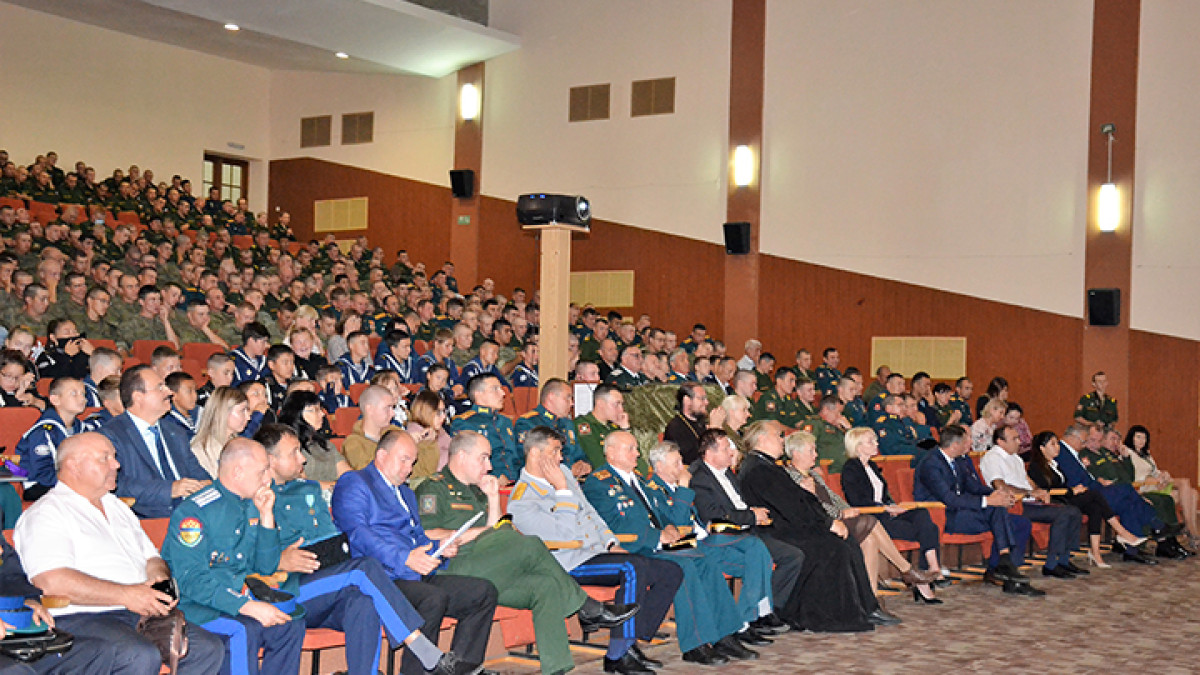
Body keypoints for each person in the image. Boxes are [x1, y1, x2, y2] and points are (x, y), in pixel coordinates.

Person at [413, 431, 638, 675]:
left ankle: (556, 669)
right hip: (457, 568)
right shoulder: (433, 488)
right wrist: (480, 532)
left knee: (544, 585)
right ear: (461, 456)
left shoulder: (478, 490)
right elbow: (429, 533)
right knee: (530, 544)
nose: (489, 466)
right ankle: (586, 607)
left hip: (492, 566)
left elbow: (498, 531)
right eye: (483, 458)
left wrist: (492, 498)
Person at [253, 424, 472, 675]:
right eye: (293, 452)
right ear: (271, 459)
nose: (302, 459)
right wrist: (280, 560)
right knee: (364, 567)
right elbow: (246, 557)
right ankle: (422, 648)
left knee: (364, 603)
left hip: (328, 580)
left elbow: (333, 537)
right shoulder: (255, 496)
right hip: (289, 588)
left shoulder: (308, 489)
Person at [14, 433, 225, 675]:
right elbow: (51, 582)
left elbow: (152, 558)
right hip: (82, 616)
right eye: (105, 458)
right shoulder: (47, 513)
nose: (116, 464)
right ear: (73, 465)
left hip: (138, 612)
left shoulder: (117, 507)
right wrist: (127, 595)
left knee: (207, 648)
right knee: (137, 655)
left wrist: (158, 580)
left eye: (114, 457)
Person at [508, 426, 683, 674]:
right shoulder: (522, 499)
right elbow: (564, 536)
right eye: (555, 451)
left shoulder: (563, 472)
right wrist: (562, 490)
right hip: (566, 562)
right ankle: (618, 655)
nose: (561, 457)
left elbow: (590, 512)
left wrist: (611, 543)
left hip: (595, 552)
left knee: (670, 571)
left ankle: (630, 639)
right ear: (535, 453)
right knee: (632, 567)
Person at [582, 432, 763, 664]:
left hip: (659, 545)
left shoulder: (638, 480)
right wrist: (658, 536)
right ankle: (695, 645)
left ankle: (724, 634)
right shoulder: (599, 482)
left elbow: (666, 517)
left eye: (636, 448)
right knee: (684, 566)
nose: (637, 454)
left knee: (706, 561)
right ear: (611, 452)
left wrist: (669, 524)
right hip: (633, 547)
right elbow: (614, 524)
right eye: (631, 448)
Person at [330, 430, 500, 674]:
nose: (409, 469)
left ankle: (463, 668)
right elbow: (357, 534)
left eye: (412, 462)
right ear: (382, 455)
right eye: (404, 460)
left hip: (415, 571)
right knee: (432, 597)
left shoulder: (407, 494)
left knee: (482, 592)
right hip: (381, 577)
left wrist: (440, 549)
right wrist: (405, 558)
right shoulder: (356, 482)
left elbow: (418, 537)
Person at [160, 438, 306, 675]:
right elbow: (192, 581)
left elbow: (266, 567)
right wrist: (245, 606)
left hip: (235, 600)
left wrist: (266, 516)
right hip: (196, 607)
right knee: (244, 630)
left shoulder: (252, 503)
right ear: (238, 472)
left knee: (289, 625)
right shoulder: (195, 512)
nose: (268, 480)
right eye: (262, 472)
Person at [736, 422, 890, 631]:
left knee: (846, 542)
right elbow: (791, 506)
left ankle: (865, 607)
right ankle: (830, 615)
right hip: (777, 530)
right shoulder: (758, 469)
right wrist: (828, 523)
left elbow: (800, 500)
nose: (782, 440)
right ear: (762, 439)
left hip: (789, 524)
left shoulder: (767, 466)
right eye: (778, 436)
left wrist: (826, 520)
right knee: (834, 547)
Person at [784, 429, 939, 603]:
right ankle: (906, 570)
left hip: (840, 518)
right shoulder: (790, 477)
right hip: (823, 524)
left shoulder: (813, 474)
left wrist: (848, 510)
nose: (816, 455)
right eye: (811, 450)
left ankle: (872, 599)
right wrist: (841, 513)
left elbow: (834, 498)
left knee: (872, 539)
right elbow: (812, 506)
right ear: (796, 453)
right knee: (870, 522)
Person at [686, 428, 807, 624]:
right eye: (726, 449)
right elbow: (713, 515)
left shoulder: (727, 473)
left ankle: (763, 612)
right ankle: (750, 618)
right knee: (757, 553)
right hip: (723, 536)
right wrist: (751, 516)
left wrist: (754, 513)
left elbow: (739, 504)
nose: (731, 452)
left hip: (747, 530)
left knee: (787, 555)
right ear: (710, 453)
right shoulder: (699, 477)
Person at [913, 425, 1042, 595]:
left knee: (1013, 518)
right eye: (966, 441)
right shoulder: (931, 464)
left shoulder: (958, 460)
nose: (970, 444)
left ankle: (1005, 563)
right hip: (944, 516)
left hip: (963, 511)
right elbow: (949, 499)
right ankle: (1005, 569)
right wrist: (988, 500)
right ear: (955, 445)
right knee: (1006, 520)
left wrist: (997, 494)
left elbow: (974, 487)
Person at [839, 426, 948, 587]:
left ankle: (931, 570)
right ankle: (929, 573)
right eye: (871, 441)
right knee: (928, 529)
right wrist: (884, 508)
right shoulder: (850, 469)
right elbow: (857, 501)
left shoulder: (872, 466)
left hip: (885, 512)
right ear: (858, 447)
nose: (877, 444)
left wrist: (891, 506)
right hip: (872, 519)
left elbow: (883, 496)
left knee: (921, 514)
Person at [100, 365, 211, 518]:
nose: (169, 392)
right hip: (146, 518)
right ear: (138, 397)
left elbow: (197, 472)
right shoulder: (111, 435)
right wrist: (170, 489)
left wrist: (207, 484)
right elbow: (116, 484)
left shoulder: (175, 432)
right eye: (160, 387)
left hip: (190, 515)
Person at [1027, 431, 1146, 568]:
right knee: (1094, 495)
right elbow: (1047, 490)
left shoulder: (1055, 465)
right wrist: (1072, 491)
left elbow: (1062, 485)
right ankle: (1122, 532)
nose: (1057, 447)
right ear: (1042, 448)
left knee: (1095, 508)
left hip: (1066, 497)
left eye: (1057, 443)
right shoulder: (1036, 467)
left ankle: (1095, 553)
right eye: (1052, 444)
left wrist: (1074, 489)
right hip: (1056, 501)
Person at [980, 425, 1085, 578]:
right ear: (1000, 442)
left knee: (1073, 511)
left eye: (1018, 437)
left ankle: (1063, 560)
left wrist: (1039, 491)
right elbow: (1000, 485)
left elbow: (1028, 481)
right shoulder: (993, 457)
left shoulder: (1016, 458)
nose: (1019, 442)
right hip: (1014, 504)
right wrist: (1029, 492)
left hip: (1028, 501)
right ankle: (1051, 564)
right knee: (1064, 512)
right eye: (1014, 439)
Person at [1054, 424, 1165, 564]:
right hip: (1088, 493)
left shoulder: (1095, 453)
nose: (1085, 444)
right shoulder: (1067, 452)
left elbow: (1126, 476)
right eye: (1085, 440)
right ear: (1073, 438)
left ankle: (1132, 550)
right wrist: (1098, 482)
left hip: (1098, 490)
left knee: (1128, 504)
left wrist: (1124, 460)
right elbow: (1075, 479)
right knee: (1127, 491)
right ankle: (1156, 524)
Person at [16, 377, 88, 502]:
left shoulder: (84, 429)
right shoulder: (42, 432)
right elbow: (42, 474)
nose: (82, 399)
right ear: (55, 400)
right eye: (74, 393)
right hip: (40, 486)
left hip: (69, 483)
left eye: (83, 394)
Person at [1125, 424, 1199, 540]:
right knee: (1184, 482)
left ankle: (1190, 528)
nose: (1142, 441)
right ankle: (1191, 530)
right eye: (1138, 437)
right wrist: (1154, 480)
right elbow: (1133, 476)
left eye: (1144, 438)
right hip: (1144, 486)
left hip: (1156, 483)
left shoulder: (1146, 455)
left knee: (1193, 493)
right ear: (1131, 438)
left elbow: (1155, 471)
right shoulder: (1128, 453)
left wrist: (1163, 475)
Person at [448, 373, 521, 483]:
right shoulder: (465, 422)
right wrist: (494, 476)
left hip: (516, 482)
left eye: (501, 389)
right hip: (486, 483)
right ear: (478, 394)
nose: (502, 393)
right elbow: (465, 463)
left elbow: (517, 457)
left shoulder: (505, 421)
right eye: (495, 389)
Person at [276, 389, 350, 491]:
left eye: (320, 409)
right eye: (314, 410)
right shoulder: (289, 448)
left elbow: (347, 474)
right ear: (297, 414)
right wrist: (340, 486)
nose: (322, 414)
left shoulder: (326, 445)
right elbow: (303, 484)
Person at [514, 378, 588, 477]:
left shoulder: (568, 424)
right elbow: (532, 462)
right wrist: (568, 470)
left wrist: (584, 465)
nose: (571, 403)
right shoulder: (528, 423)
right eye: (567, 398)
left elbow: (580, 454)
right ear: (551, 397)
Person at [190, 386, 251, 478]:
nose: (248, 417)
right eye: (242, 410)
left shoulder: (240, 442)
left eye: (247, 410)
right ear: (224, 412)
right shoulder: (201, 449)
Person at [575, 384, 634, 469]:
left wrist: (625, 429)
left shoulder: (614, 427)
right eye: (616, 404)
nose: (621, 409)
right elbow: (598, 461)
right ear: (600, 404)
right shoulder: (584, 425)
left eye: (622, 405)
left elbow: (636, 456)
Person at [343, 385, 401, 470]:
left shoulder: (396, 433)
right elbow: (369, 473)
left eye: (393, 408)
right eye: (387, 408)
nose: (393, 413)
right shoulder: (353, 444)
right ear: (369, 409)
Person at [161, 370, 201, 440]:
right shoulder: (168, 421)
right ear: (173, 395)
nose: (195, 396)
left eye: (195, 390)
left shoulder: (201, 413)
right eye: (189, 391)